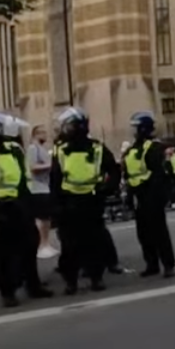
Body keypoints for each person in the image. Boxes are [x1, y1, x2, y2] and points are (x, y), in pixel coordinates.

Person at [0, 113, 54, 307]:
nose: (6, 130)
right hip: (1, 208)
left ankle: (33, 284)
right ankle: (7, 291)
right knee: (4, 252)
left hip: (20, 206)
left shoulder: (15, 148)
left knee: (30, 244)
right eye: (2, 126)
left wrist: (29, 205)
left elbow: (23, 179)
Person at [50, 107, 120, 294]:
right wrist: (56, 206)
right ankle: (70, 281)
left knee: (93, 243)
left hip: (91, 201)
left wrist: (107, 189)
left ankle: (96, 278)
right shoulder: (61, 150)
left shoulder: (97, 148)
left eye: (68, 126)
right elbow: (55, 179)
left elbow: (113, 170)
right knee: (70, 246)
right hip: (69, 203)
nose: (65, 130)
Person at [124, 111, 175, 278]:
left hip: (152, 195)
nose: (134, 132)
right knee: (144, 233)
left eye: (137, 128)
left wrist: (158, 197)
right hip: (138, 195)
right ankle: (151, 263)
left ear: (144, 129)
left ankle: (168, 264)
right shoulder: (133, 149)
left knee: (159, 232)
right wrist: (129, 196)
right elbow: (129, 173)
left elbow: (159, 174)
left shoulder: (154, 147)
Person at [26, 125, 58, 259]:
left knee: (46, 218)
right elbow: (33, 167)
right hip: (37, 188)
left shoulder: (41, 149)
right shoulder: (33, 148)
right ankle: (42, 245)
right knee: (41, 218)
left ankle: (46, 243)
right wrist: (50, 166)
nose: (45, 135)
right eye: (42, 133)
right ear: (36, 134)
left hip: (44, 186)